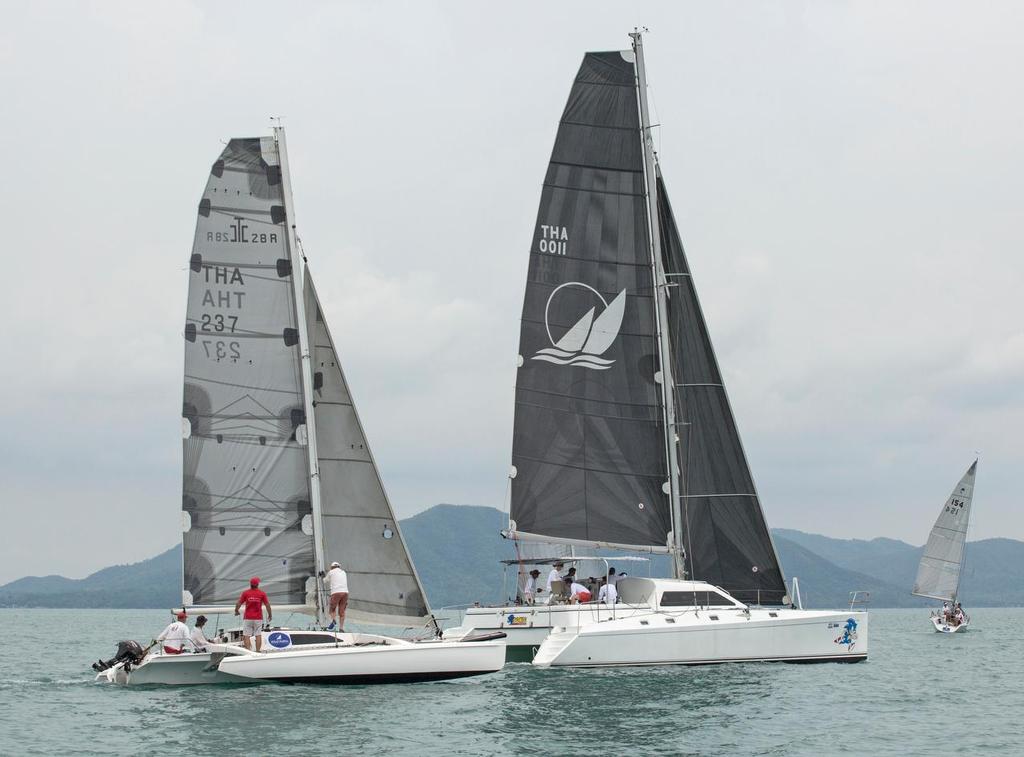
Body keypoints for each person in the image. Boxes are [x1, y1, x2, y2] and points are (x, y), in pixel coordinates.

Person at [234, 577, 272, 652]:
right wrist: (270, 615)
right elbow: (267, 605)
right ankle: (258, 651)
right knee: (258, 635)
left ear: (250, 584)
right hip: (258, 618)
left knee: (246, 635)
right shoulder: (262, 593)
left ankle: (248, 651)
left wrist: (236, 611)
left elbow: (239, 603)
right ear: (257, 584)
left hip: (248, 618)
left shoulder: (245, 593)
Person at [323, 561, 349, 631]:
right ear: (339, 566)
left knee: (332, 609)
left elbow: (324, 581)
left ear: (332, 567)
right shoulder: (343, 572)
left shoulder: (331, 572)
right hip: (345, 593)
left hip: (336, 592)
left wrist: (322, 576)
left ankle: (334, 621)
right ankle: (341, 628)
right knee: (342, 612)